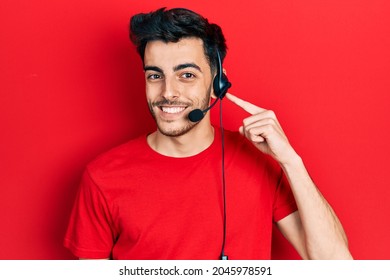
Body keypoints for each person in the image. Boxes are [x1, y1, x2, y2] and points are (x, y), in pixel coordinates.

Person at [64, 7, 353, 260]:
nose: (167, 92)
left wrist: (291, 161)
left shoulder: (259, 161)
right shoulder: (102, 177)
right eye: (155, 75)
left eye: (186, 75)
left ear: (218, 82)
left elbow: (336, 264)